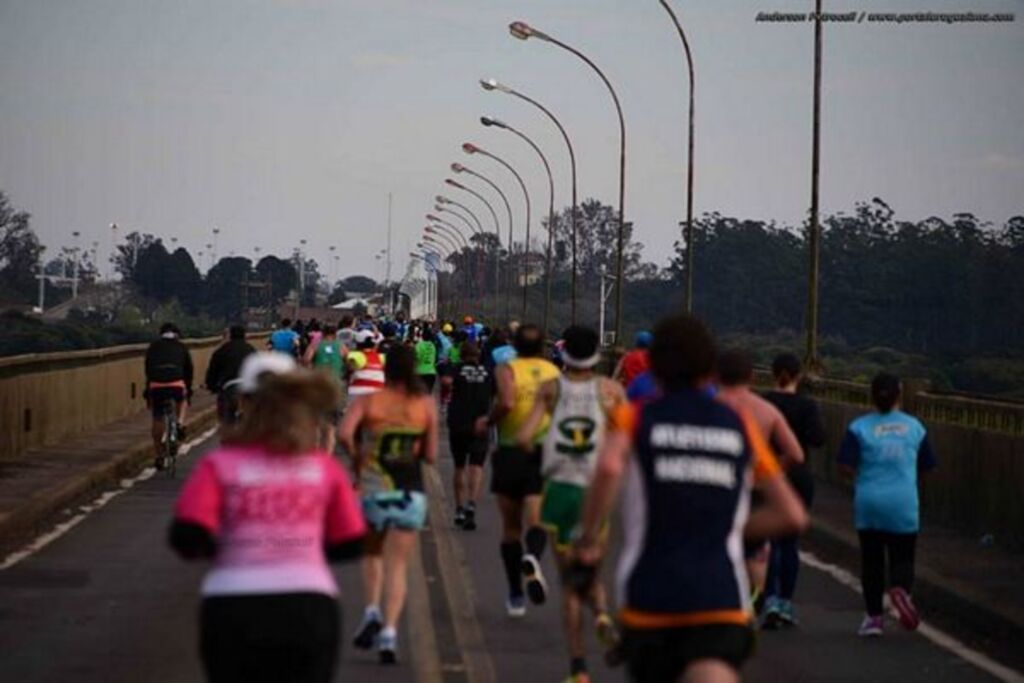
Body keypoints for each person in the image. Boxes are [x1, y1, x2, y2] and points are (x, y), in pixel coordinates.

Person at [572, 313, 808, 683]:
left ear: (655, 367)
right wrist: (729, 528)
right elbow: (792, 515)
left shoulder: (636, 417)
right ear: (709, 368)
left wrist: (587, 541)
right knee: (714, 668)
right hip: (720, 598)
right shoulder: (737, 424)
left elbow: (608, 468)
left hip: (652, 594)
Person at [169, 353, 366, 683]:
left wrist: (235, 549)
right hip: (307, 606)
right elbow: (351, 542)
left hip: (233, 606)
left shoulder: (220, 466)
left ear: (243, 401)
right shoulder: (322, 469)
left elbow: (187, 536)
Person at [516, 326, 624, 682]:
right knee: (591, 566)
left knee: (568, 582)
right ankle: (604, 614)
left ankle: (578, 668)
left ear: (564, 353)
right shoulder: (611, 392)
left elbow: (524, 437)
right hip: (596, 491)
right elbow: (627, 440)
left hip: (560, 489)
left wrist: (541, 451)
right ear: (596, 353)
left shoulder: (551, 389)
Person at [339, 345, 439, 664]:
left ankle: (371, 611)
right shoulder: (424, 404)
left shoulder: (371, 402)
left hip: (373, 489)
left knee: (372, 556)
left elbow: (344, 433)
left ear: (386, 369)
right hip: (410, 492)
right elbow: (433, 455)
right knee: (398, 565)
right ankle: (390, 633)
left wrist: (358, 456)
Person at [839, 372, 936, 637]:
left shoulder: (859, 427)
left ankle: (873, 619)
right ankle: (901, 590)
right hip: (903, 502)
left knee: (871, 562)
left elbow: (845, 465)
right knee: (903, 556)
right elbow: (927, 465)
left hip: (869, 501)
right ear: (900, 395)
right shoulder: (915, 427)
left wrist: (860, 479)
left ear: (871, 396)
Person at [476, 323, 560, 617]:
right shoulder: (553, 373)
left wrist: (488, 420)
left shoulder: (507, 369)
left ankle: (515, 595)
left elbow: (508, 402)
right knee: (537, 520)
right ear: (542, 347)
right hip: (541, 451)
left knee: (511, 528)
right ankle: (532, 557)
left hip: (511, 449)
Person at [715, 349, 804, 610]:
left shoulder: (708, 407)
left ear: (716, 376)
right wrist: (769, 472)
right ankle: (754, 603)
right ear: (751, 376)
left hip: (717, 485)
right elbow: (796, 454)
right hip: (754, 486)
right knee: (754, 550)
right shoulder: (767, 410)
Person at [761, 352, 826, 628]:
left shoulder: (764, 402)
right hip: (799, 477)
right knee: (790, 543)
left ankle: (770, 599)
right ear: (798, 376)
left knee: (770, 542)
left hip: (770, 476)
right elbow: (818, 438)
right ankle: (786, 603)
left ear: (773, 374)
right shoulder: (807, 405)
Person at [442, 342, 493, 530]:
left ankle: (459, 508)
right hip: (480, 422)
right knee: (476, 466)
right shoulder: (488, 371)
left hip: (458, 422)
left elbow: (446, 382)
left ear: (462, 355)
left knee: (459, 466)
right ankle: (471, 503)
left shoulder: (456, 368)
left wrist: (449, 392)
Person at [145, 323, 194, 469]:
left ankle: (159, 454)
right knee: (182, 399)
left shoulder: (153, 347)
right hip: (176, 384)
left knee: (157, 417)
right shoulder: (181, 347)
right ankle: (179, 423)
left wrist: (147, 391)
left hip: (156, 385)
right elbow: (189, 370)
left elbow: (148, 370)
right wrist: (189, 388)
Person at [205, 325, 256, 426]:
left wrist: (211, 386)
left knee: (225, 415)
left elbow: (212, 371)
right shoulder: (251, 350)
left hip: (229, 386)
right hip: (247, 386)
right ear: (245, 336)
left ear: (230, 335)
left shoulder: (221, 350)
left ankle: (226, 429)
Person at [346, 330, 386, 398]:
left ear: (358, 344)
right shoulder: (382, 357)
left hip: (356, 394)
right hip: (377, 395)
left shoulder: (356, 355)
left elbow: (348, 367)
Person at [414, 328, 438, 393]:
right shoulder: (433, 346)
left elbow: (416, 358)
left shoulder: (418, 345)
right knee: (427, 396)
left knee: (419, 395)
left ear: (422, 336)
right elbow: (434, 358)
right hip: (431, 373)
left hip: (420, 373)